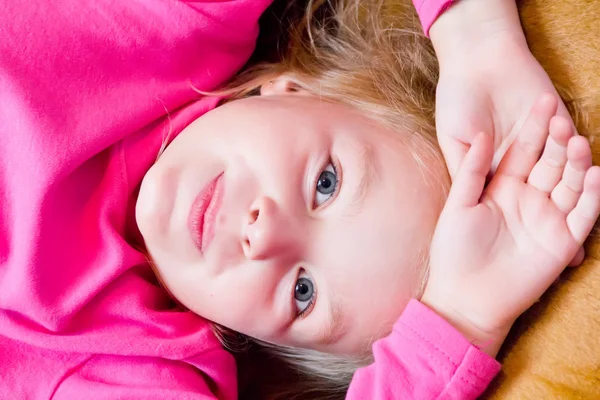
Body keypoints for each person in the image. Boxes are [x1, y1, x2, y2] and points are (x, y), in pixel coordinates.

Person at [0, 1, 596, 400]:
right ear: (293, 90)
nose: (265, 236)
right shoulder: (177, 19)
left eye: (302, 293)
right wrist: (476, 39)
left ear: (254, 338)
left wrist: (463, 317)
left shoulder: (124, 366)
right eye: (326, 183)